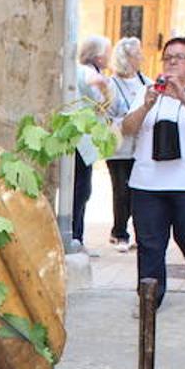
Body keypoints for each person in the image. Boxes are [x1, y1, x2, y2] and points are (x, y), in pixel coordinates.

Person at [120, 35, 185, 310]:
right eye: (168, 57)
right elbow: (128, 128)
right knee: (150, 244)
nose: (173, 62)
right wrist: (147, 104)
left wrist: (183, 97)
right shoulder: (146, 90)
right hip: (147, 183)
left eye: (180, 57)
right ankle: (150, 298)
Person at [104, 37, 149, 253]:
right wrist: (124, 122)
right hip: (119, 147)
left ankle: (140, 233)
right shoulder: (110, 86)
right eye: (137, 54)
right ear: (126, 58)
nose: (141, 57)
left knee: (138, 191)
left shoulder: (146, 82)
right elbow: (104, 116)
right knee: (121, 190)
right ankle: (119, 232)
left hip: (141, 148)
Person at [71, 35, 110, 256]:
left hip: (84, 142)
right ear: (98, 55)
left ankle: (78, 236)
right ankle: (76, 237)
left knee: (82, 190)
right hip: (80, 142)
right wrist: (105, 89)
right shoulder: (86, 70)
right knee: (81, 190)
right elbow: (93, 81)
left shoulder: (84, 70)